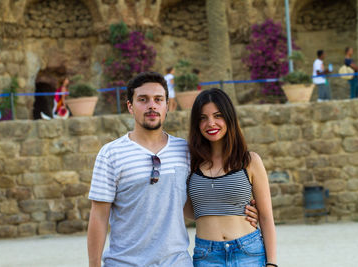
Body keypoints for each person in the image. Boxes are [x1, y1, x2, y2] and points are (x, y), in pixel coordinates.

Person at [87, 72, 258, 267]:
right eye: (143, 100)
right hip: (124, 263)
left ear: (167, 105)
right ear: (130, 106)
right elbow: (99, 216)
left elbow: (200, 202)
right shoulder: (110, 154)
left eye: (158, 99)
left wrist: (241, 212)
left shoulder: (186, 151)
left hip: (177, 262)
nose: (152, 105)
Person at [186, 88, 277, 267]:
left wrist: (272, 263)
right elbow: (187, 208)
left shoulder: (250, 161)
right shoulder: (190, 163)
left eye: (217, 115)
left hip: (248, 252)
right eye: (203, 118)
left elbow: (266, 217)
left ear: (229, 117)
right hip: (207, 256)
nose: (210, 123)